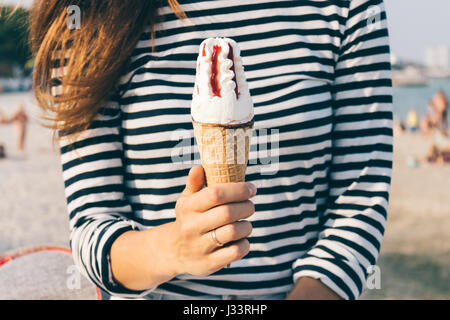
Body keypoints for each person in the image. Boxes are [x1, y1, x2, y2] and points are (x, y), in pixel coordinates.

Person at [30, 0, 393, 300]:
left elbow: (361, 197)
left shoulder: (349, 7)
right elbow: (92, 229)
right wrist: (173, 248)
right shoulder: (88, 13)